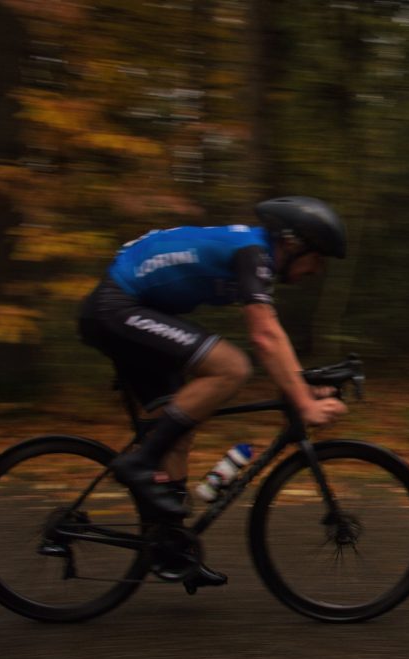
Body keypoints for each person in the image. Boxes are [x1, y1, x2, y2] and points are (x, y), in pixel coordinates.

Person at [78, 196, 349, 587]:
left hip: (131, 308)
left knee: (177, 429)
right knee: (231, 366)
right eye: (317, 259)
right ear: (293, 243)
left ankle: (171, 547)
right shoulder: (253, 253)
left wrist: (300, 386)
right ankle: (139, 464)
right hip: (116, 306)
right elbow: (265, 336)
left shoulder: (254, 253)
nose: (316, 270)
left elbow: (272, 336)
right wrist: (303, 402)